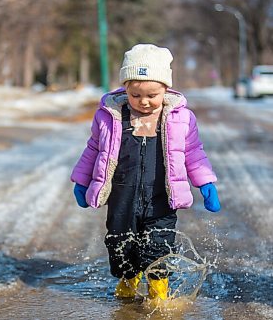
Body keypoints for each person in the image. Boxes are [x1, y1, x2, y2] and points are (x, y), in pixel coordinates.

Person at [71, 44, 220, 300]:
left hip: (162, 196)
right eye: (136, 95)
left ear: (166, 89)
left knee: (159, 244)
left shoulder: (180, 118)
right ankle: (128, 282)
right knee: (120, 243)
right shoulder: (110, 116)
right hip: (122, 196)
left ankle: (158, 289)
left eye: (152, 94)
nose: (145, 102)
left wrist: (205, 183)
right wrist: (82, 180)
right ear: (126, 89)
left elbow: (194, 152)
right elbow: (94, 149)